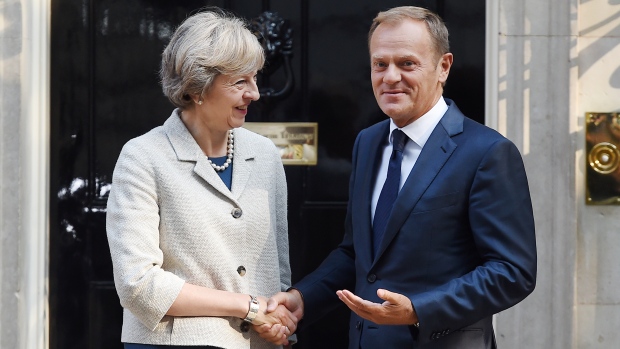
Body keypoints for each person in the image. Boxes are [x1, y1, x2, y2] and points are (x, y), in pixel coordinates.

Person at [256, 6, 537, 349]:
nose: (390, 77)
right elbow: (357, 254)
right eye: (380, 64)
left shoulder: (487, 152)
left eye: (406, 64)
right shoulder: (368, 142)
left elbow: (512, 272)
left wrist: (418, 309)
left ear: (443, 67)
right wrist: (304, 298)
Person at [106, 8, 296, 349]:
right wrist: (247, 307)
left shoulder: (265, 154)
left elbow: (277, 273)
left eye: (254, 79)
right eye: (240, 81)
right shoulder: (142, 157)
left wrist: (279, 320)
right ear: (197, 88)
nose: (254, 93)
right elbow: (137, 285)